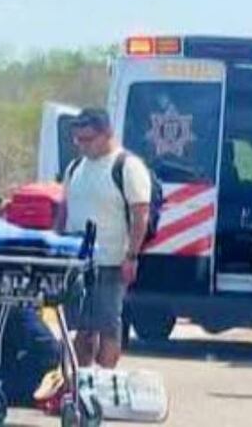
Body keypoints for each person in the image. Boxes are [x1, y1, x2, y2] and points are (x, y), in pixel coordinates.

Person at [55, 108, 151, 369]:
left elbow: (140, 214)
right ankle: (80, 383)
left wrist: (131, 256)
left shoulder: (127, 167)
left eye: (87, 139)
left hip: (111, 262)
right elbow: (64, 209)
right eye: (78, 140)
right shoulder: (75, 167)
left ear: (106, 133)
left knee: (108, 327)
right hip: (76, 263)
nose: (82, 146)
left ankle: (105, 382)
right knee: (80, 329)